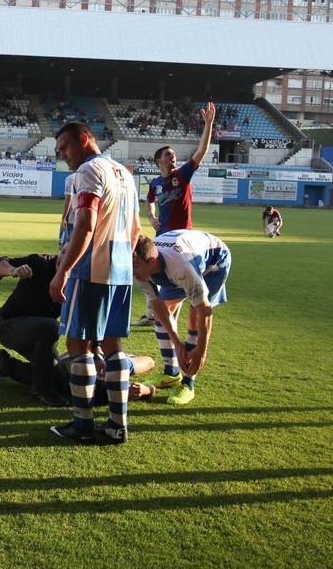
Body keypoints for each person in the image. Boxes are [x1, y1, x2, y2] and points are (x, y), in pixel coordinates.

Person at [49, 122, 140, 443]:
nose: (63, 156)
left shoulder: (89, 172)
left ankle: (82, 423)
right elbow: (136, 231)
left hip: (90, 270)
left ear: (84, 140)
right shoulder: (125, 174)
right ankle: (117, 424)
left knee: (78, 346)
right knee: (113, 349)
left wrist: (63, 271)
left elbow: (86, 225)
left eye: (65, 148)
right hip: (121, 271)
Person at [0, 253, 157, 406]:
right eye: (64, 254)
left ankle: (4, 365)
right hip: (8, 326)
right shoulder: (39, 263)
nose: (65, 263)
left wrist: (144, 388)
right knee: (50, 329)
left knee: (52, 373)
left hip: (41, 336)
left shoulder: (78, 282)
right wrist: (13, 270)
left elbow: (149, 362)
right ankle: (43, 391)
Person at [135, 102, 216, 327]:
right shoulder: (155, 183)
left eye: (174, 155)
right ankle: (154, 314)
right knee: (151, 273)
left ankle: (158, 316)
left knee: (176, 279)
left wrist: (208, 124)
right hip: (162, 235)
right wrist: (151, 216)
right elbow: (149, 201)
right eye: (168, 155)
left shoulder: (181, 176)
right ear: (158, 160)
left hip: (181, 238)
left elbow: (201, 152)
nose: (173, 158)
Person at [131, 231, 232, 406]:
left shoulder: (180, 268)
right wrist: (177, 343)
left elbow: (205, 311)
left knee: (195, 313)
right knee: (163, 311)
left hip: (214, 262)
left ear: (151, 262)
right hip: (177, 255)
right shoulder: (140, 265)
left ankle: (188, 383)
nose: (132, 271)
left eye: (135, 266)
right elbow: (157, 305)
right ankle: (171, 373)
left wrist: (201, 351)